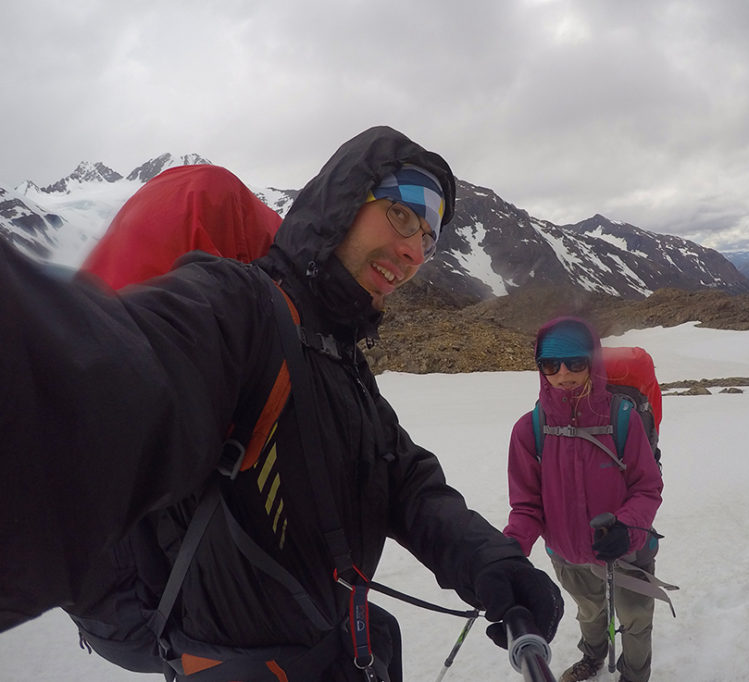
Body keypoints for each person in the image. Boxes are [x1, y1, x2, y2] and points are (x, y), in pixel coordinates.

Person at [0, 126, 563, 680]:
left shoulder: (338, 352)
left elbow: (404, 480)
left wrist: (488, 560)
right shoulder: (240, 308)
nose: (414, 249)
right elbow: (92, 386)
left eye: (430, 236)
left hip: (335, 652)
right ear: (344, 201)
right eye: (402, 213)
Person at [503, 317, 664, 682]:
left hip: (624, 549)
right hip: (566, 553)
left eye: (576, 362)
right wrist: (510, 548)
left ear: (591, 361)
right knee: (589, 612)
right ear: (540, 368)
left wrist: (627, 527)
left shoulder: (622, 418)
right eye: (550, 364)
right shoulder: (530, 429)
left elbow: (646, 487)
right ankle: (593, 657)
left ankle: (635, 675)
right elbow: (527, 506)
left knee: (636, 618)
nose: (564, 373)